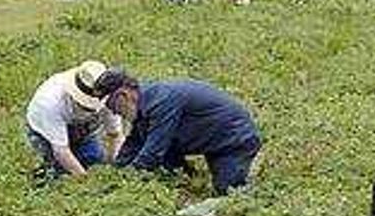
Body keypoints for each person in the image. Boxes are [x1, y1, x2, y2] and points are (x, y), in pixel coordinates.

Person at [97, 72, 263, 194]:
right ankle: (190, 177)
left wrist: (127, 183)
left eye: (113, 107)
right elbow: (135, 142)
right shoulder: (144, 102)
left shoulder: (162, 100)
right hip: (209, 140)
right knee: (168, 164)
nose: (116, 113)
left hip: (235, 141)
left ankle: (249, 177)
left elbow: (153, 153)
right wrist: (115, 172)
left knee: (228, 191)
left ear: (123, 95)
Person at [25, 61, 125, 178]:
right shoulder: (49, 103)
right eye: (85, 105)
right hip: (45, 133)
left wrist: (116, 165)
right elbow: (61, 150)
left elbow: (115, 135)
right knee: (59, 174)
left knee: (94, 161)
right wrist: (84, 180)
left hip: (83, 131)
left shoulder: (109, 95)